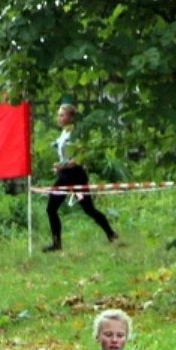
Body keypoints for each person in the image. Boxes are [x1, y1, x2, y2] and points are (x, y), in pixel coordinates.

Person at [44, 103, 117, 252]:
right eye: (58, 115)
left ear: (71, 117)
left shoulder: (75, 134)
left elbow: (79, 159)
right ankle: (57, 243)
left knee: (87, 209)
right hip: (65, 175)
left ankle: (111, 234)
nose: (59, 118)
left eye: (62, 115)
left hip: (74, 176)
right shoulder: (64, 132)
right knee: (53, 208)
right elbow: (66, 156)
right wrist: (60, 164)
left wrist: (62, 166)